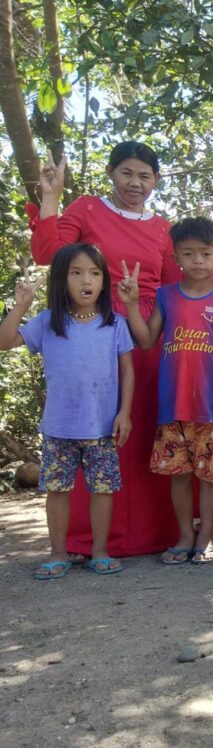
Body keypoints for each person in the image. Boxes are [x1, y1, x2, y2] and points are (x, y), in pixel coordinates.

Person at [28, 141, 179, 557]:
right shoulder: (88, 208)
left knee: (139, 429)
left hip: (144, 333)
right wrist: (52, 198)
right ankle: (87, 541)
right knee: (92, 429)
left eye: (145, 176)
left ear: (157, 181)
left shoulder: (163, 228)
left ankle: (151, 533)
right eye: (127, 173)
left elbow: (172, 287)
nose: (136, 183)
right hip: (90, 325)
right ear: (111, 172)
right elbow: (48, 254)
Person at [0, 244, 134, 577]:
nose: (86, 280)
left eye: (94, 272)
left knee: (102, 490)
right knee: (58, 491)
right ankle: (58, 553)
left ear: (104, 280)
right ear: (61, 280)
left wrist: (125, 412)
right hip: (59, 428)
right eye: (76, 272)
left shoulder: (114, 323)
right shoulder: (48, 322)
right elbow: (4, 341)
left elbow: (128, 370)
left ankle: (99, 551)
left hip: (102, 428)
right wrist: (21, 305)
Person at [120, 217, 213, 564]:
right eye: (188, 253)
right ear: (176, 258)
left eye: (206, 253)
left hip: (212, 405)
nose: (198, 261)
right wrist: (131, 305)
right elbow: (145, 341)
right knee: (179, 476)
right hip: (172, 406)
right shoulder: (166, 296)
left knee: (210, 477)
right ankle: (184, 536)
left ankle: (207, 537)